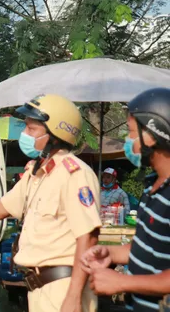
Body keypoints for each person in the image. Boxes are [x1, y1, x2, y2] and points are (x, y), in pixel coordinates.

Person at [0, 94, 102, 312]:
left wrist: (73, 296)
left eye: (31, 129)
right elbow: (3, 207)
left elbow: (88, 238)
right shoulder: (38, 173)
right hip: (39, 287)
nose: (24, 135)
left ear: (55, 135)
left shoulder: (75, 174)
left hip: (64, 288)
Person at [81, 87, 170, 311]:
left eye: (130, 132)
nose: (127, 140)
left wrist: (122, 282)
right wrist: (109, 253)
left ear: (150, 136)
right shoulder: (152, 184)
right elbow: (144, 245)